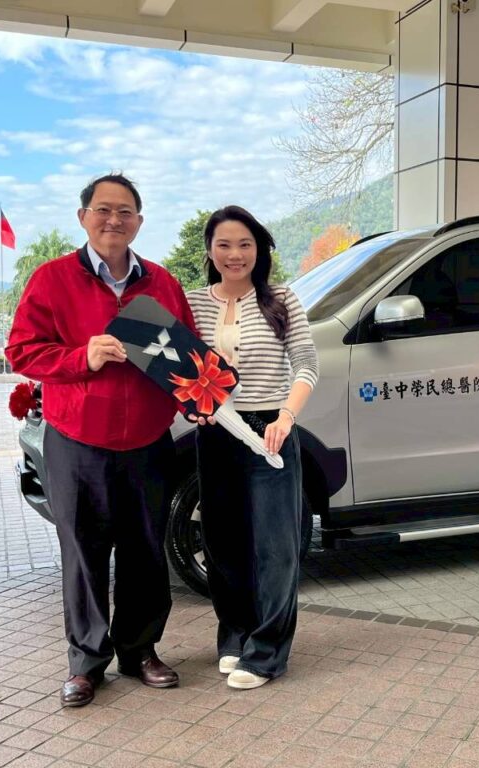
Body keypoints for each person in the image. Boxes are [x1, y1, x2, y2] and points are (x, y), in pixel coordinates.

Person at [6, 173, 196, 707]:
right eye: (103, 210)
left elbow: (187, 358)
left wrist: (201, 399)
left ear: (139, 221)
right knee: (84, 552)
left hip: (148, 441)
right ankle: (86, 663)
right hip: (77, 441)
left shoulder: (161, 284)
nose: (114, 220)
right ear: (83, 217)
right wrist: (81, 357)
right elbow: (21, 350)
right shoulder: (52, 279)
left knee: (145, 549)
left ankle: (140, 651)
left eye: (125, 212)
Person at [186, 205, 318, 690]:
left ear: (259, 249)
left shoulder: (281, 299)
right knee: (222, 541)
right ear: (209, 251)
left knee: (275, 545)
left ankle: (266, 653)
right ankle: (235, 633)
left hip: (269, 429)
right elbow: (180, 370)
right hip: (215, 430)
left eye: (245, 244)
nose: (235, 254)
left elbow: (306, 364)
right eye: (224, 244)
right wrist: (192, 407)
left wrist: (286, 416)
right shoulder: (192, 303)